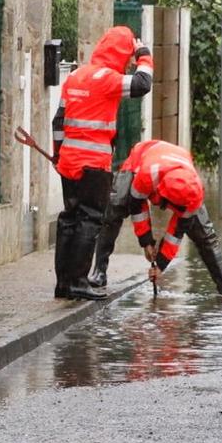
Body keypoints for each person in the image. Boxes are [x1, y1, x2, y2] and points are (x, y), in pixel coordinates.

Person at [51, 25, 152, 299]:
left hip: (69, 161)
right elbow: (143, 84)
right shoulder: (109, 79)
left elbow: (58, 122)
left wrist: (57, 153)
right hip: (94, 163)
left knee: (68, 219)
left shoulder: (75, 76)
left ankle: (64, 285)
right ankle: (79, 283)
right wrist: (144, 55)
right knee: (90, 220)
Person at [91, 137, 222, 294]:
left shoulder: (194, 193)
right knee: (115, 208)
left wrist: (161, 265)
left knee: (205, 235)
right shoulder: (147, 175)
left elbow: (176, 233)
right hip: (140, 159)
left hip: (176, 169)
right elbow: (138, 207)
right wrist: (146, 242)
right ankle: (99, 272)